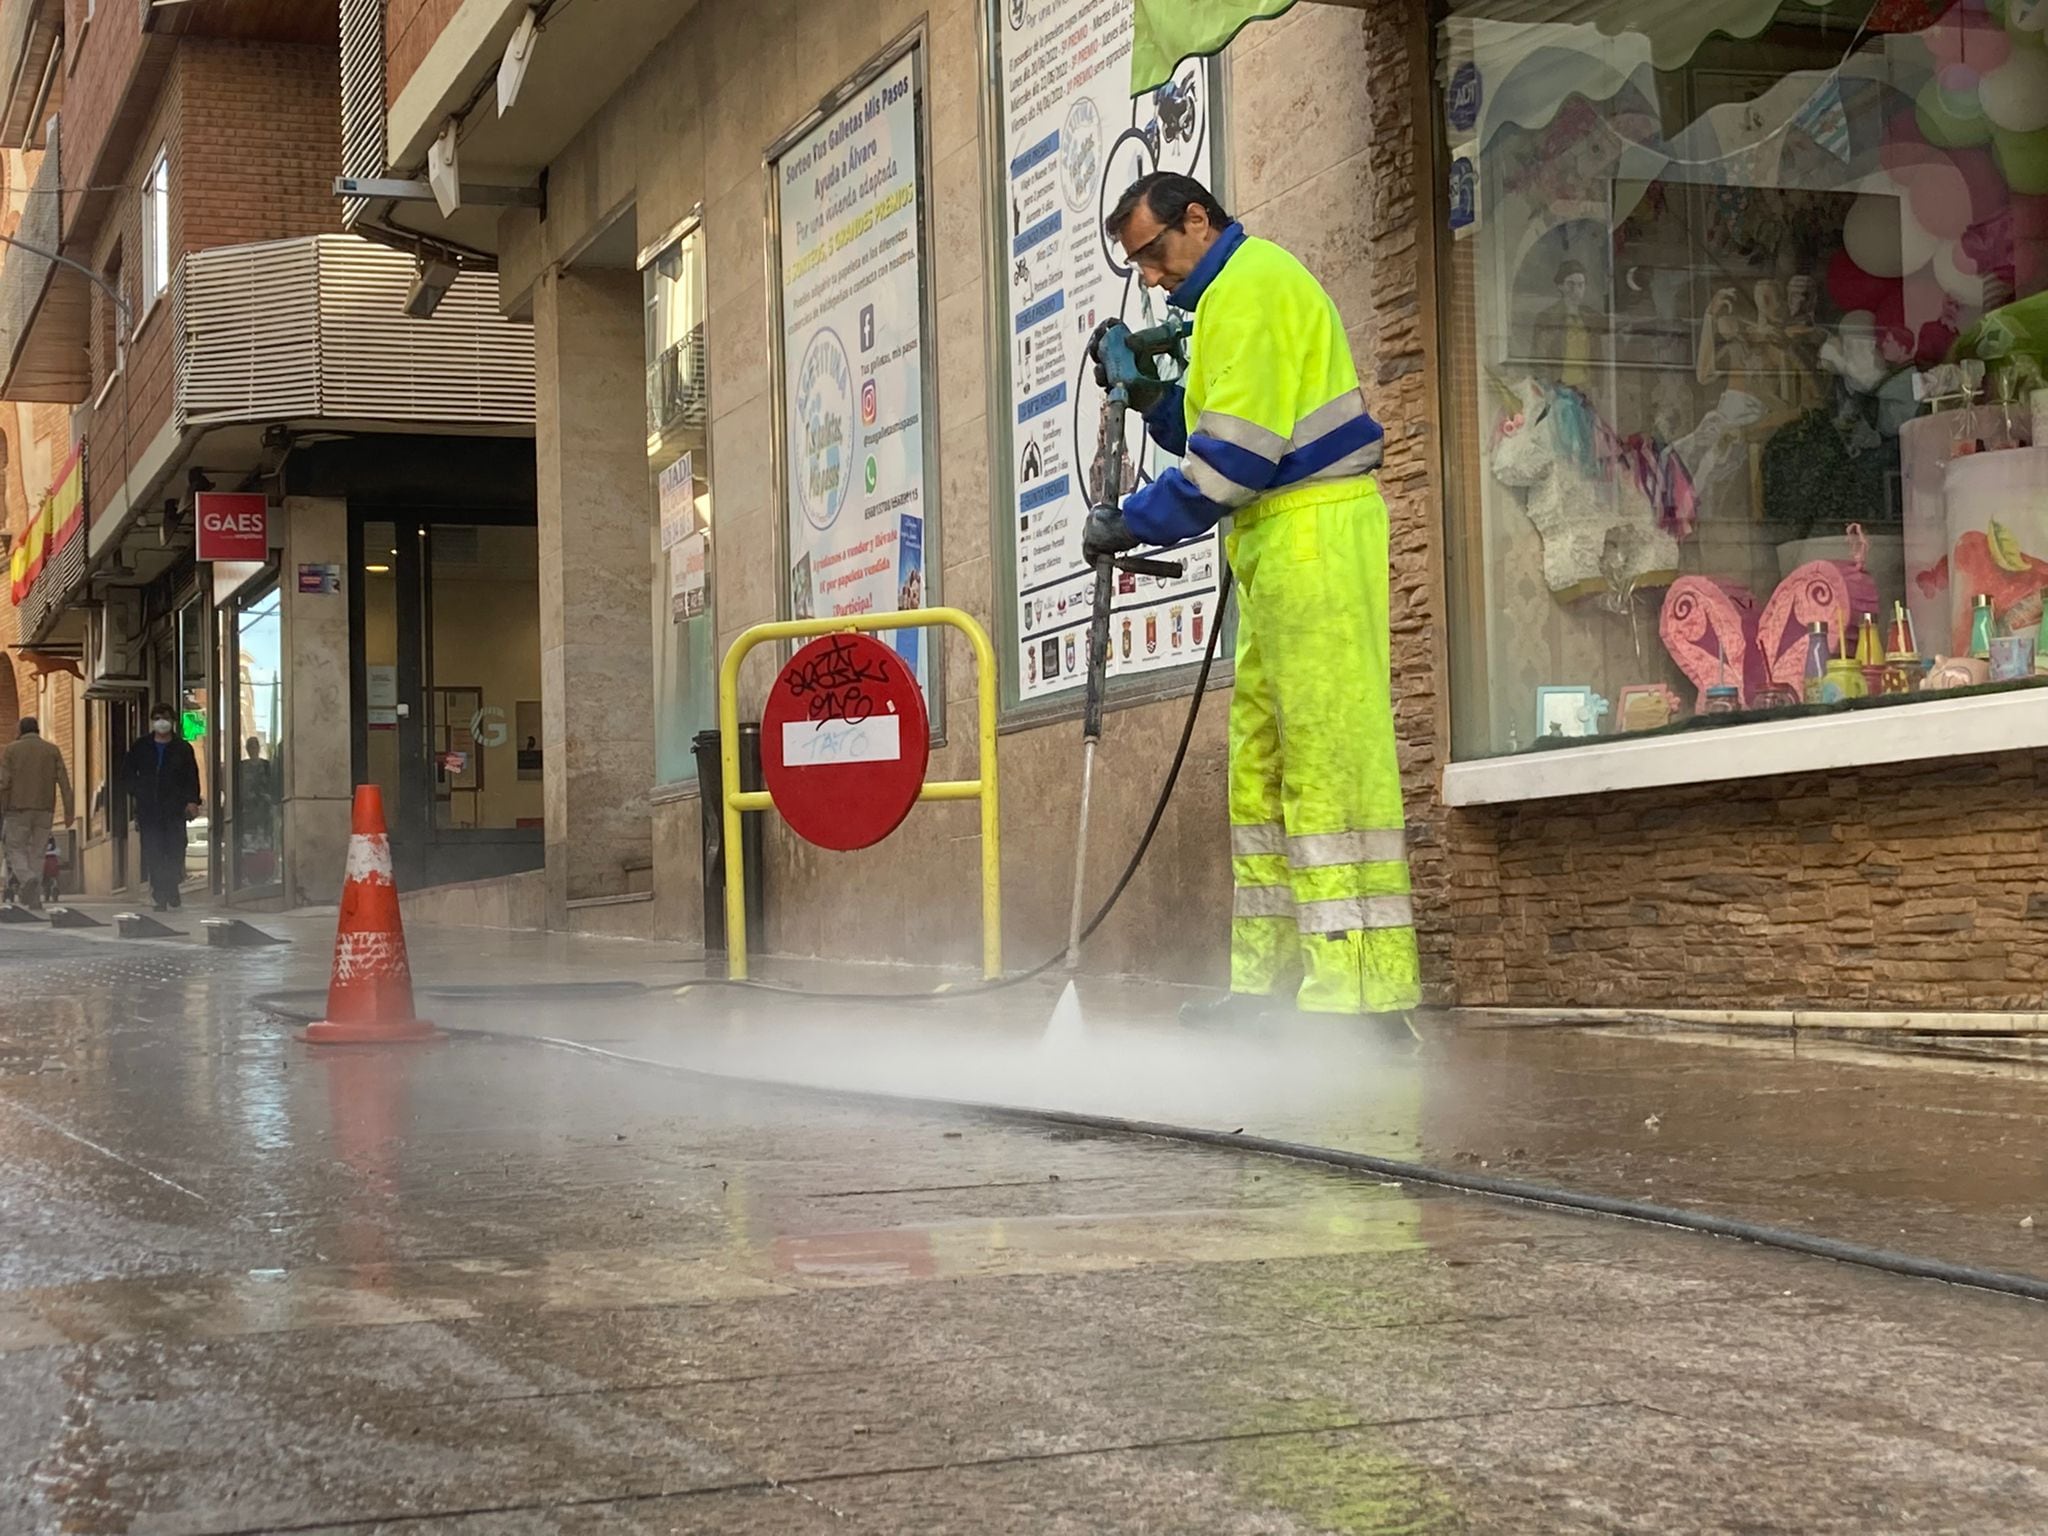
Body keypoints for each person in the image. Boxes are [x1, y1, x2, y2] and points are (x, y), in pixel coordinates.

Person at [1082, 172, 1421, 1032]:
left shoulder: (1255, 285)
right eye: (1138, 265)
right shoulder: (1227, 300)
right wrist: (1160, 400)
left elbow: (1233, 463)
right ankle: (1269, 988)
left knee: (1326, 759)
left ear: (1199, 220)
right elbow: (1221, 433)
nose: (1151, 277)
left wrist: (1130, 521)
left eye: (1156, 253)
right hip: (1275, 539)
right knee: (1263, 764)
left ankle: (1361, 999)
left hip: (1313, 531)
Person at [121, 706, 202, 911]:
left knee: (175, 849)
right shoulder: (141, 747)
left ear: (172, 721)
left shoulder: (182, 748)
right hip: (149, 810)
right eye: (157, 718)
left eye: (165, 718)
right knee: (153, 852)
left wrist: (192, 801)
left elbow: (191, 776)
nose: (161, 722)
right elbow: (127, 773)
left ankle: (171, 885)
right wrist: (138, 791)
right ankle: (160, 894)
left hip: (175, 809)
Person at [0, 717, 74, 911]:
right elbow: (65, 782)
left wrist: (3, 807)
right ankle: (34, 898)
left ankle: (27, 878)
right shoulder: (52, 750)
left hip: (17, 809)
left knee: (15, 848)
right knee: (38, 853)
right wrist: (69, 811)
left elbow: (4, 782)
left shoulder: (11, 750)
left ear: (20, 730)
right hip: (45, 809)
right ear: (38, 730)